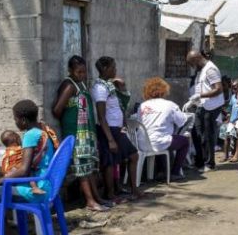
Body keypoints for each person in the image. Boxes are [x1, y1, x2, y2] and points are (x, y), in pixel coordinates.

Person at [0, 100, 59, 235]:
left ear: (23, 120)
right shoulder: (44, 130)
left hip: (35, 191)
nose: (15, 122)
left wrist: (0, 180)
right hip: (48, 186)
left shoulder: (30, 135)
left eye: (15, 119)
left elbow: (24, 170)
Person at [51, 55, 108, 212]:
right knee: (81, 168)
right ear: (70, 70)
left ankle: (97, 197)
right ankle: (90, 201)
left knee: (89, 167)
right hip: (75, 133)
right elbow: (57, 110)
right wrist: (71, 115)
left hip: (86, 133)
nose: (82, 75)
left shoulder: (80, 84)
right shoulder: (69, 86)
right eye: (79, 72)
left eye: (84, 72)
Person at [92, 56, 142, 202]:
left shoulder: (108, 85)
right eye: (113, 67)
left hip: (115, 128)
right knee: (127, 157)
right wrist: (110, 139)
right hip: (109, 129)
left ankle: (124, 190)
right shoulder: (100, 88)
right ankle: (113, 194)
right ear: (105, 69)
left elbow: (120, 105)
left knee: (114, 161)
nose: (116, 70)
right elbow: (101, 116)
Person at [138, 77, 190, 181]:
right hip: (159, 142)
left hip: (142, 143)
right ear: (164, 90)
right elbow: (181, 122)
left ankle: (161, 171)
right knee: (184, 142)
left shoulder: (142, 105)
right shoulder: (170, 105)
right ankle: (175, 172)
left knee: (164, 139)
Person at [187, 50, 224, 172]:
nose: (192, 67)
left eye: (192, 64)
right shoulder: (201, 70)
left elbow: (218, 89)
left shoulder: (210, 69)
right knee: (196, 133)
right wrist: (194, 101)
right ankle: (200, 161)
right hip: (202, 105)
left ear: (196, 60)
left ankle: (210, 164)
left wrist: (200, 96)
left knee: (207, 135)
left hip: (212, 106)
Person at [0, 130, 45, 195]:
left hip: (8, 174)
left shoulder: (6, 152)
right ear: (16, 139)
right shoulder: (19, 149)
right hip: (16, 170)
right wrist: (38, 150)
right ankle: (35, 187)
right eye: (19, 138)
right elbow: (28, 156)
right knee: (28, 169)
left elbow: (5, 164)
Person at [222, 79, 238, 163]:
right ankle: (225, 155)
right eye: (233, 88)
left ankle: (236, 155)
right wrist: (228, 117)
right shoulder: (233, 97)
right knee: (227, 136)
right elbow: (230, 108)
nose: (233, 90)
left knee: (237, 134)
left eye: (235, 88)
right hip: (232, 120)